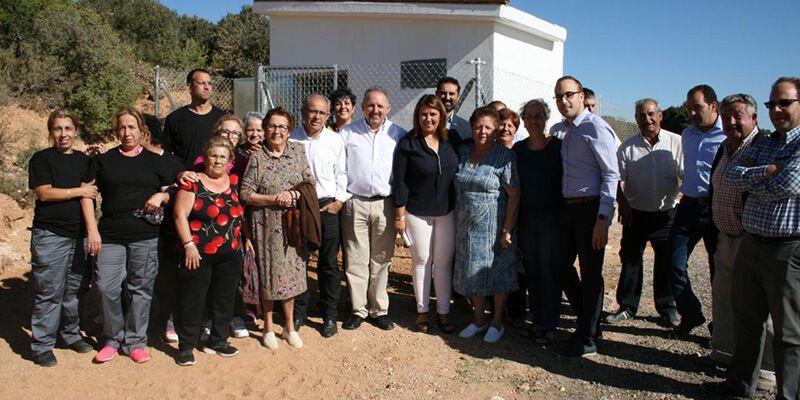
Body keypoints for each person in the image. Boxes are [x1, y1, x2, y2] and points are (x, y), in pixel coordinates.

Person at [711, 83, 800, 398]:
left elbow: (787, 185)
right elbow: (734, 177)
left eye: (784, 103)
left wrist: (757, 178)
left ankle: (787, 393)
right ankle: (739, 386)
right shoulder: (766, 144)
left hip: (787, 248)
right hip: (752, 242)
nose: (777, 110)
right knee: (747, 321)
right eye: (772, 103)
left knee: (788, 333)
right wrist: (769, 171)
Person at [93, 107, 175, 364]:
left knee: (141, 289)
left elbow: (172, 189)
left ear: (142, 131)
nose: (127, 132)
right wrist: (92, 229)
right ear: (116, 131)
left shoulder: (155, 161)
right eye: (122, 127)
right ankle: (112, 338)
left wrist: (162, 196)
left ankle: (135, 341)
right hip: (110, 234)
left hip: (144, 234)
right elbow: (88, 192)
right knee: (106, 287)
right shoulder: (104, 160)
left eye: (132, 127)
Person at [551, 76, 619, 358]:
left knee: (590, 273)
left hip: (591, 210)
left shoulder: (595, 128)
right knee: (561, 266)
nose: (564, 101)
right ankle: (588, 322)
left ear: (581, 96)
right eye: (559, 96)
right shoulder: (568, 130)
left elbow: (611, 174)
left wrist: (603, 219)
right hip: (569, 209)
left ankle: (588, 337)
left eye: (569, 95)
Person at [240, 107, 315, 350]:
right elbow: (245, 193)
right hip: (264, 225)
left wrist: (293, 194)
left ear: (289, 130)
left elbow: (309, 182)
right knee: (268, 275)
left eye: (282, 127)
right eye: (272, 126)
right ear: (265, 129)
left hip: (292, 225)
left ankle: (290, 327)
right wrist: (273, 199)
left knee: (291, 275)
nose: (277, 131)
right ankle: (268, 327)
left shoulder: (298, 151)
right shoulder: (257, 157)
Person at [27, 109, 98, 367]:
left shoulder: (82, 160)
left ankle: (70, 334)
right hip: (50, 234)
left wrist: (91, 231)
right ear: (50, 132)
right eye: (58, 129)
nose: (63, 134)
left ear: (76, 131)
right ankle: (42, 344)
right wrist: (78, 190)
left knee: (76, 289)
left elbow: (90, 195)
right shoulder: (42, 159)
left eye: (68, 129)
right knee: (48, 291)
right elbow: (44, 193)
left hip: (78, 235)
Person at [605, 99, 681, 327]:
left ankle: (667, 308)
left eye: (650, 114)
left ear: (660, 116)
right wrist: (624, 205)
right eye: (641, 115)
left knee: (665, 263)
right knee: (630, 261)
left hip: (666, 214)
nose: (646, 119)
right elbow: (617, 180)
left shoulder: (676, 142)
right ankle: (627, 306)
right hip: (635, 215)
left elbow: (686, 175)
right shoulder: (627, 148)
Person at [173, 137, 245, 366]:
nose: (217, 160)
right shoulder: (193, 183)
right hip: (198, 253)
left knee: (224, 300)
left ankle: (218, 340)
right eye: (213, 155)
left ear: (230, 160)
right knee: (193, 300)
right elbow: (179, 215)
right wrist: (188, 245)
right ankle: (186, 346)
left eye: (223, 156)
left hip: (230, 253)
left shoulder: (234, 182)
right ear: (205, 157)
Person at [340, 87, 406, 331]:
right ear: (363, 107)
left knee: (381, 258)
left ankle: (379, 309)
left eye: (380, 106)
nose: (375, 110)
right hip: (354, 202)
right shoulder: (347, 133)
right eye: (370, 105)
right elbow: (339, 168)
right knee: (355, 259)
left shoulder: (398, 134)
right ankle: (358, 309)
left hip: (385, 204)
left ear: (388, 108)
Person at [392, 95, 459, 334]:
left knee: (443, 263)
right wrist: (400, 216)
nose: (428, 118)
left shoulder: (451, 141)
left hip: (446, 212)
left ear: (441, 116)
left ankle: (443, 312)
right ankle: (422, 312)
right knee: (422, 262)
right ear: (417, 116)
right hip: (417, 213)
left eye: (433, 114)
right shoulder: (408, 144)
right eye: (423, 114)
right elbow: (400, 183)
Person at [453, 106, 520, 343]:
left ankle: (497, 321)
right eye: (478, 126)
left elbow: (514, 194)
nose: (482, 131)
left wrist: (507, 229)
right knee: (473, 274)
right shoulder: (462, 151)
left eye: (488, 127)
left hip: (495, 228)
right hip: (465, 227)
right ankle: (479, 320)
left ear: (496, 130)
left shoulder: (505, 156)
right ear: (472, 128)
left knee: (498, 274)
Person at [668, 84, 725, 337]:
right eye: (688, 108)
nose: (691, 113)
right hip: (689, 206)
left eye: (697, 108)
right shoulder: (687, 134)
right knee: (672, 262)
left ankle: (721, 328)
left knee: (720, 272)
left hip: (717, 208)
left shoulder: (729, 135)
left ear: (714, 106)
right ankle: (691, 313)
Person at [290, 94, 349, 338]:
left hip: (327, 206)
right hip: (298, 206)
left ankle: (329, 314)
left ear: (328, 116)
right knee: (299, 260)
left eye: (322, 113)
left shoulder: (335, 140)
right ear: (303, 111)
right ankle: (299, 312)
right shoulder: (291, 138)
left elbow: (342, 173)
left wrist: (338, 202)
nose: (316, 116)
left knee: (327, 263)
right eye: (312, 111)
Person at [512, 99, 563, 344]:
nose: (533, 120)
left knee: (549, 273)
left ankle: (550, 325)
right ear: (523, 121)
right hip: (527, 221)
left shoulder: (559, 149)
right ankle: (537, 322)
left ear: (546, 119)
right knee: (532, 273)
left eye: (538, 115)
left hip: (552, 222)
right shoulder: (519, 151)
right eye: (529, 116)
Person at [163, 68, 227, 168]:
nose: (207, 87)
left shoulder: (223, 119)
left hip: (214, 179)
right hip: (184, 179)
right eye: (202, 83)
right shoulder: (175, 118)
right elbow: (166, 153)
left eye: (209, 83)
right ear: (190, 88)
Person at [436, 77, 470, 141]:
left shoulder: (466, 129)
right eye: (443, 93)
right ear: (436, 94)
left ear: (458, 97)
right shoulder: (426, 124)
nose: (447, 98)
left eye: (451, 94)